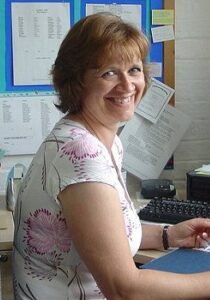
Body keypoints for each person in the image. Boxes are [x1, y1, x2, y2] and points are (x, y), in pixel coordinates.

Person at [12, 12, 210, 300]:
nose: (127, 85)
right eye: (108, 72)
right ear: (77, 81)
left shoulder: (98, 138)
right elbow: (124, 289)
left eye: (134, 69)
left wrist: (168, 235)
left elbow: (102, 232)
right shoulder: (81, 152)